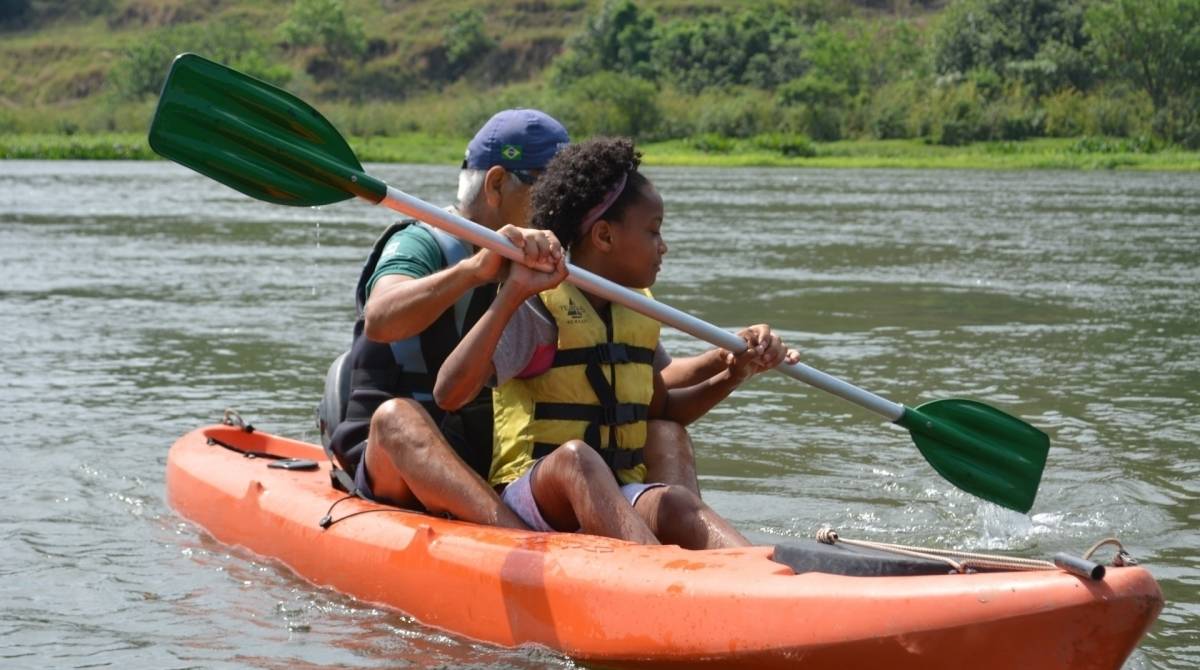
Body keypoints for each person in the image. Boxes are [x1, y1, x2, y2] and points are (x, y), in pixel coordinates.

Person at [433, 137, 798, 548]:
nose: (663, 246)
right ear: (604, 237)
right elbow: (449, 393)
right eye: (653, 231)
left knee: (676, 502)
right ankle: (656, 577)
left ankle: (754, 577)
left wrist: (734, 371)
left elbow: (659, 410)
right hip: (534, 497)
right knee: (577, 460)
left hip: (615, 497)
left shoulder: (637, 310)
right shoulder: (539, 306)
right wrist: (511, 293)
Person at [326, 109, 569, 528]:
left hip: (476, 460)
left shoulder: (547, 261)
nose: (560, 207)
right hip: (387, 460)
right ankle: (515, 539)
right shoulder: (418, 242)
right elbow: (380, 319)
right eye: (549, 190)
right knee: (396, 417)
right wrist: (474, 270)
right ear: (495, 184)